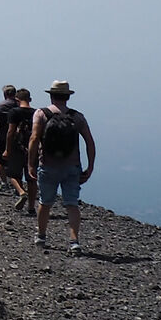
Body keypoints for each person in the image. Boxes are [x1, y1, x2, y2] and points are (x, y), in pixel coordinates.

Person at [30, 81, 97, 252]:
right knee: (72, 204)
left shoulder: (41, 114)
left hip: (48, 165)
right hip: (72, 166)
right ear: (67, 97)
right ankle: (74, 241)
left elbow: (34, 138)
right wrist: (90, 167)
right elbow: (89, 142)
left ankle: (41, 236)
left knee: (45, 202)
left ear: (51, 96)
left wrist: (31, 163)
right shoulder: (77, 117)